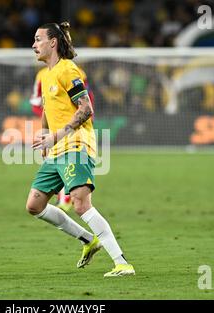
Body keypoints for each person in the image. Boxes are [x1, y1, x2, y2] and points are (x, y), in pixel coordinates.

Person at [26, 22, 135, 277]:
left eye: (38, 39)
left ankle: (122, 263)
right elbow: (48, 109)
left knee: (80, 203)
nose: (34, 45)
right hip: (57, 149)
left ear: (53, 42)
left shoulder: (67, 69)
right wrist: (44, 134)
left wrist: (57, 135)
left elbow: (86, 108)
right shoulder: (47, 74)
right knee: (34, 204)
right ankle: (89, 239)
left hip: (76, 143)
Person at [30, 66, 94, 213]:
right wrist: (49, 122)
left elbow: (86, 99)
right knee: (59, 162)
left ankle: (68, 197)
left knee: (70, 161)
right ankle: (65, 196)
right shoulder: (42, 76)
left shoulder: (74, 72)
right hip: (55, 130)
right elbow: (37, 103)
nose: (35, 46)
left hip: (73, 129)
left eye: (39, 41)